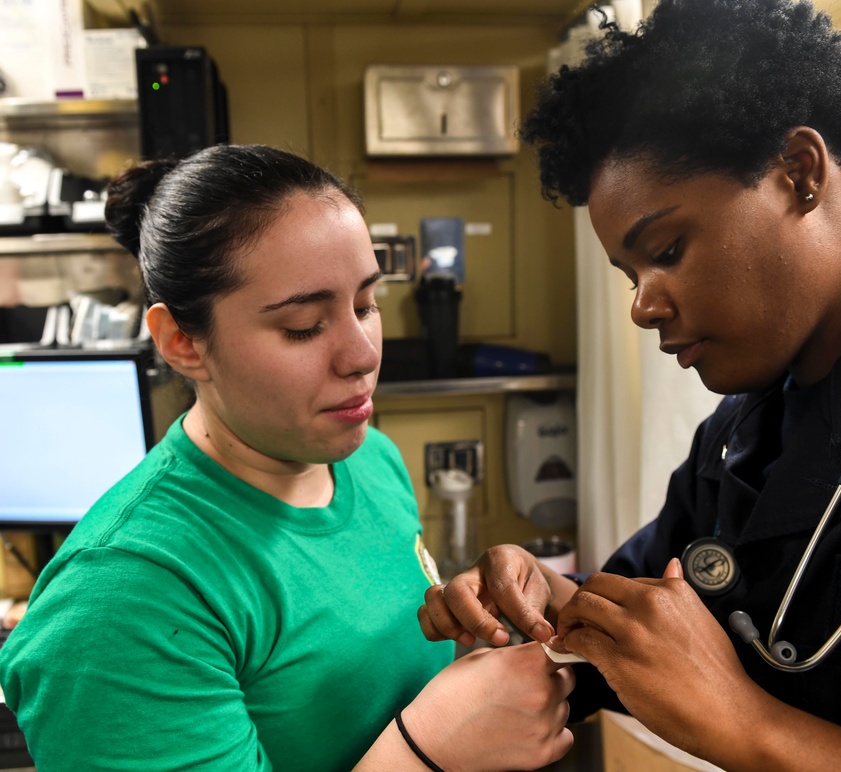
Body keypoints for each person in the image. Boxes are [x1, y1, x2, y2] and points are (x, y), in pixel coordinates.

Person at [418, 1, 841, 769]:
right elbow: (636, 625)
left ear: (799, 172)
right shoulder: (737, 438)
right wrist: (546, 601)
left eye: (668, 248)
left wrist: (746, 726)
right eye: (630, 274)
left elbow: (725, 704)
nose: (642, 304)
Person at [0, 144, 575, 772]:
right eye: (304, 325)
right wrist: (429, 750)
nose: (361, 355)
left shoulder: (369, 461)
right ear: (182, 342)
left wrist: (473, 630)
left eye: (364, 305)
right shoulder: (122, 603)